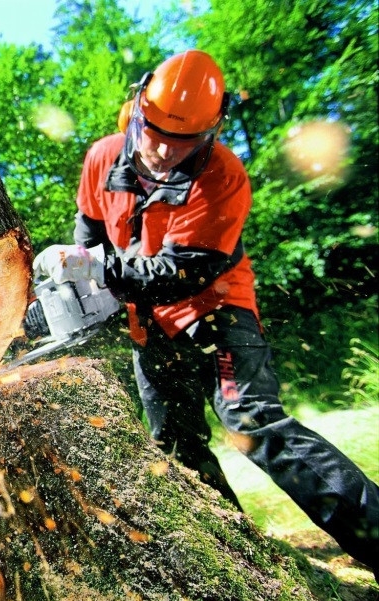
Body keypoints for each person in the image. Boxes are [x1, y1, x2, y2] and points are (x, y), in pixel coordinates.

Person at [31, 49, 379, 572]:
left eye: (182, 141)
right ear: (139, 110)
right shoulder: (103, 158)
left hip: (216, 312)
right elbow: (91, 233)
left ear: (209, 132)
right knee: (175, 447)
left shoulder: (223, 176)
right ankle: (244, 567)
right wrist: (79, 273)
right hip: (147, 325)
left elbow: (179, 274)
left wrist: (98, 269)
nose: (163, 151)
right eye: (155, 133)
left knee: (253, 423)